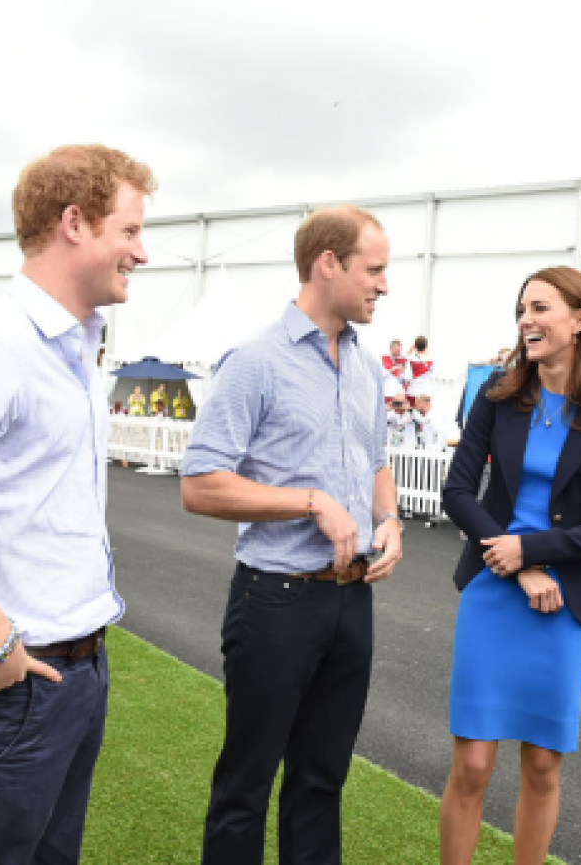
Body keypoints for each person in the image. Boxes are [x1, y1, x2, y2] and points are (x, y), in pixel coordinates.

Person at [0, 144, 155, 864]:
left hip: (75, 674)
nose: (141, 253)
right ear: (74, 224)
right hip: (16, 678)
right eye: (130, 231)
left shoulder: (72, 351)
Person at [180, 205, 403, 865]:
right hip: (274, 601)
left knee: (321, 782)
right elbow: (199, 484)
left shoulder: (365, 365)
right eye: (376, 268)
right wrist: (309, 502)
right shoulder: (255, 362)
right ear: (326, 264)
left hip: (351, 601)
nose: (384, 284)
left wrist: (386, 520)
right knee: (246, 788)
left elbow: (378, 461)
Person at [439, 265, 581, 864]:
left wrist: (534, 552)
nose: (527, 319)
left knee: (543, 764)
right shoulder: (497, 396)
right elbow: (457, 493)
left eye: (541, 307)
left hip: (564, 600)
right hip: (491, 588)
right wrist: (513, 561)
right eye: (522, 308)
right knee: (473, 762)